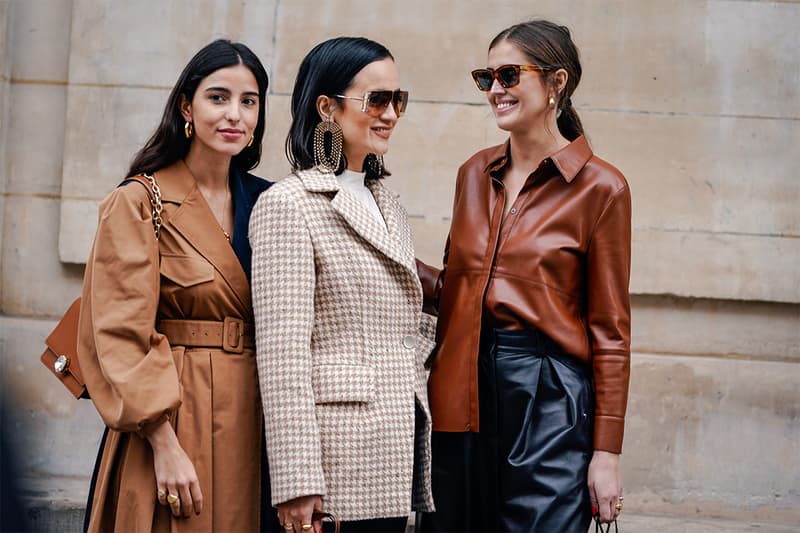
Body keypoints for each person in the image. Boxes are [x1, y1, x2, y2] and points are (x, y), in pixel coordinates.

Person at [417, 20, 631, 532]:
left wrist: (606, 453)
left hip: (549, 400)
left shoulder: (601, 188)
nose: (495, 90)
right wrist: (379, 255)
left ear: (557, 83)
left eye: (509, 75)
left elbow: (611, 331)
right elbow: (457, 289)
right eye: (486, 77)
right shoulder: (474, 173)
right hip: (461, 387)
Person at [77, 39, 272, 532]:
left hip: (258, 415)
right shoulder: (140, 201)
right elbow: (119, 336)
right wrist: (163, 444)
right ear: (187, 105)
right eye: (218, 97)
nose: (235, 115)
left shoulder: (273, 204)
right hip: (172, 416)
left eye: (249, 101)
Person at [249, 37, 435, 533]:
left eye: (398, 100)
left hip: (393, 446)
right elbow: (281, 356)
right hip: (332, 463)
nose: (391, 113)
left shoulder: (389, 203)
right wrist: (295, 481)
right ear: (327, 107)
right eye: (376, 100)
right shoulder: (288, 204)